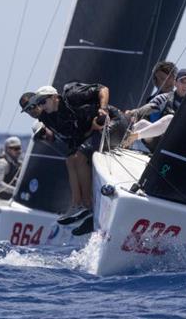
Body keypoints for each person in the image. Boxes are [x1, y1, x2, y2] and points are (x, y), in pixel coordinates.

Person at [20, 82, 128, 235]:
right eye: (38, 103)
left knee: (79, 155)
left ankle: (88, 205)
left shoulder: (72, 94)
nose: (40, 107)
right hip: (94, 132)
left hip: (113, 122)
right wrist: (91, 127)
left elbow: (103, 89)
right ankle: (79, 204)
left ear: (55, 97)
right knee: (71, 159)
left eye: (42, 102)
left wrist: (102, 110)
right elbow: (78, 136)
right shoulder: (50, 118)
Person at [125, 68, 186, 151]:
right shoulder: (164, 98)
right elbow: (147, 108)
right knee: (142, 124)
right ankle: (123, 142)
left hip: (179, 146)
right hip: (159, 142)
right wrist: (132, 113)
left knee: (170, 118)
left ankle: (135, 136)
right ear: (175, 83)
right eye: (182, 81)